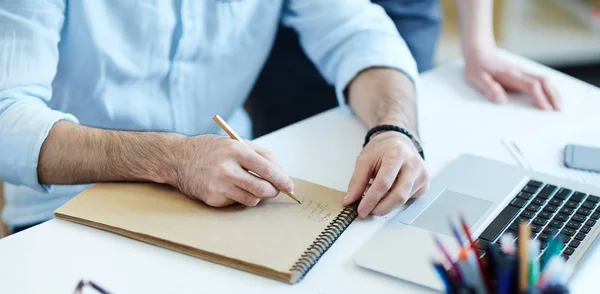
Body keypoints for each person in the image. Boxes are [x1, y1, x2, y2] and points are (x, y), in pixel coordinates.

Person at [0, 0, 428, 233]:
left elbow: (357, 31)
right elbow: (7, 120)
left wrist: (394, 131)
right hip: (67, 206)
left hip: (229, 198)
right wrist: (174, 159)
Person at [247, 0, 562, 137]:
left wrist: (479, 44)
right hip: (300, 34)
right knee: (298, 143)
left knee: (404, 124)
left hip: (398, 13)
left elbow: (358, 34)